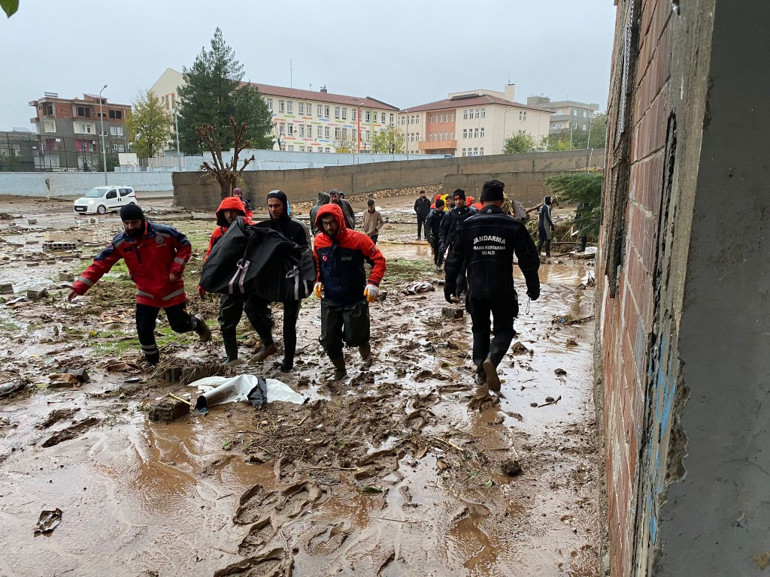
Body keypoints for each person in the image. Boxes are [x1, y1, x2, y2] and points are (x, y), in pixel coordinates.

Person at [68, 204, 211, 367]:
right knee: (143, 329)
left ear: (142, 220)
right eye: (126, 223)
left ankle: (197, 323)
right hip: (146, 293)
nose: (130, 227)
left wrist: (176, 268)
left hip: (171, 290)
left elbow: (185, 245)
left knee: (179, 326)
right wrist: (79, 286)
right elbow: (100, 264)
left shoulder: (163, 233)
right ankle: (153, 363)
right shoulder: (120, 242)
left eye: (134, 222)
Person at [444, 180, 540, 392]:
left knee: (479, 329)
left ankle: (480, 371)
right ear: (502, 201)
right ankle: (492, 359)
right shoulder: (513, 225)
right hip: (502, 289)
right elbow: (528, 258)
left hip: (475, 290)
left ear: (480, 201)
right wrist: (533, 286)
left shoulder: (467, 225)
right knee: (504, 330)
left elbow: (454, 259)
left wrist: (449, 285)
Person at [313, 203, 386, 380]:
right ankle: (340, 369)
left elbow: (378, 260)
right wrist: (318, 281)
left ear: (340, 221)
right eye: (325, 223)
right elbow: (317, 264)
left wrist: (373, 283)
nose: (329, 227)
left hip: (354, 298)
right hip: (330, 299)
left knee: (357, 337)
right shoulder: (319, 242)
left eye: (332, 222)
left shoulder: (358, 240)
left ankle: (366, 357)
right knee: (329, 340)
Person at [253, 190, 311, 372]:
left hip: (291, 280)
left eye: (277, 205)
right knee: (250, 307)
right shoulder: (264, 227)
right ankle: (268, 343)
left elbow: (306, 253)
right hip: (269, 280)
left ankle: (288, 362)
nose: (273, 209)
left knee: (288, 323)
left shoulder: (298, 227)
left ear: (284, 205)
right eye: (270, 206)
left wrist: (288, 246)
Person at [199, 196, 261, 366]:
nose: (230, 215)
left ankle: (268, 342)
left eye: (234, 211)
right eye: (227, 211)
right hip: (229, 284)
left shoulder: (252, 229)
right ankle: (232, 356)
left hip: (250, 282)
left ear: (240, 212)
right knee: (226, 321)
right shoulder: (218, 234)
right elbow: (210, 258)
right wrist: (203, 282)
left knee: (258, 314)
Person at [439, 188, 477, 297]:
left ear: (464, 200)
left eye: (460, 199)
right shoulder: (450, 214)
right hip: (455, 247)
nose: (458, 202)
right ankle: (459, 292)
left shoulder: (472, 213)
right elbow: (443, 230)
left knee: (469, 270)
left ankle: (466, 292)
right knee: (457, 271)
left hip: (470, 247)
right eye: (456, 200)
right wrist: (443, 244)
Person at [425, 198, 446, 269]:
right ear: (440, 206)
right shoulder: (432, 215)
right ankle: (437, 263)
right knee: (436, 250)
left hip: (443, 235)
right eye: (443, 205)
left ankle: (439, 263)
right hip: (435, 235)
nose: (444, 207)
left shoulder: (445, 215)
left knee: (442, 249)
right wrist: (429, 235)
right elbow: (427, 226)